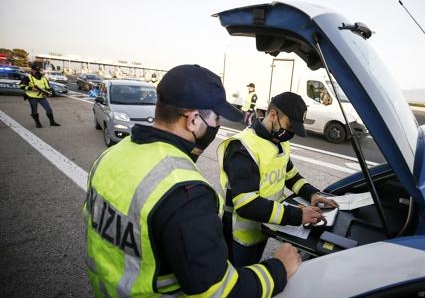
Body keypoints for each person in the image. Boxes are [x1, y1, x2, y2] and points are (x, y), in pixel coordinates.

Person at [82, 64, 301, 298]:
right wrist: (279, 268)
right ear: (194, 120)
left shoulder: (110, 155)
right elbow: (220, 291)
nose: (218, 126)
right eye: (217, 118)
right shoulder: (185, 192)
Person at [217, 91, 338, 266]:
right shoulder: (243, 148)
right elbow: (246, 205)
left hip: (266, 227)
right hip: (240, 236)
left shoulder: (279, 142)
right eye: (289, 126)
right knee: (240, 280)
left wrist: (312, 194)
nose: (290, 133)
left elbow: (290, 175)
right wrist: (297, 215)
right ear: (273, 115)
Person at [19, 62, 61, 128]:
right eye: (35, 70)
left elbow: (48, 87)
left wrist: (49, 92)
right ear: (32, 70)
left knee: (49, 109)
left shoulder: (43, 78)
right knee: (34, 111)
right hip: (32, 97)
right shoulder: (28, 77)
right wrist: (30, 88)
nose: (37, 72)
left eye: (38, 70)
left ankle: (52, 122)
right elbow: (21, 86)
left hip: (42, 96)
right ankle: (37, 123)